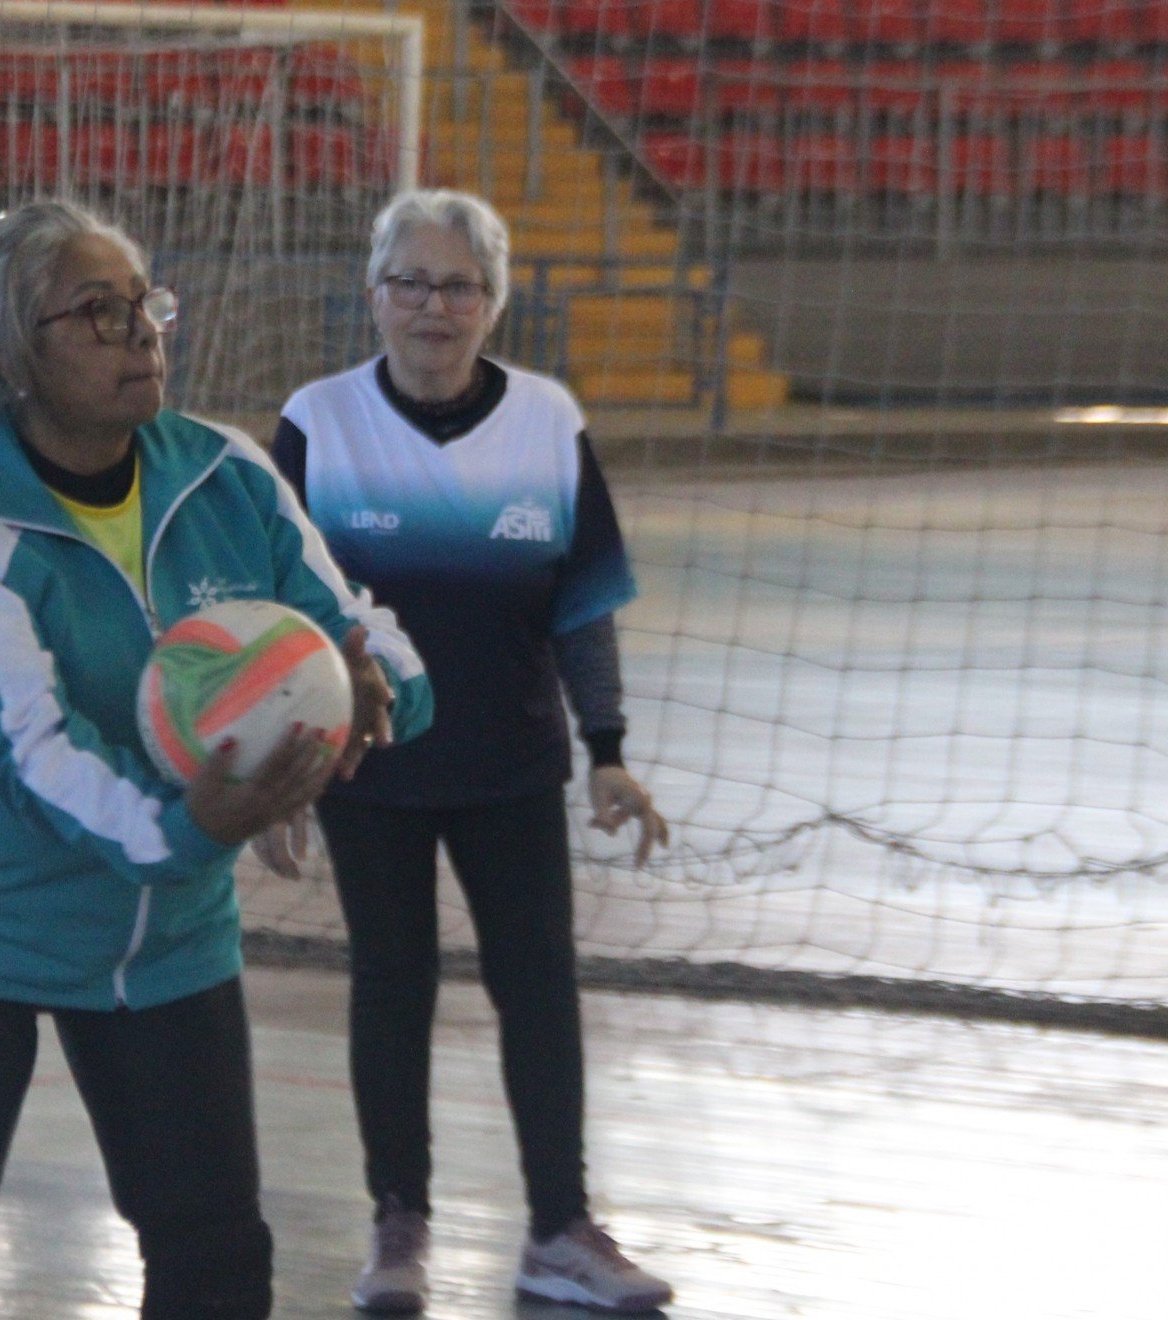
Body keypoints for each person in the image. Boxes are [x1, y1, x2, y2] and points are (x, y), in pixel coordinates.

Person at [0, 199, 432, 1320]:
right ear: (9, 357)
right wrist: (200, 822)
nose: (140, 331)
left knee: (213, 1249)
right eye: (96, 312)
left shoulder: (224, 475)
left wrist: (379, 688)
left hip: (164, 935)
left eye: (143, 301)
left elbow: (350, 621)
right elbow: (39, 759)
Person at [268, 189, 674, 1315]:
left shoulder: (547, 421)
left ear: (493, 304)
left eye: (457, 286)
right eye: (411, 282)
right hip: (371, 763)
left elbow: (581, 607)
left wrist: (608, 748)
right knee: (391, 986)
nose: (431, 307)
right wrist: (284, 763)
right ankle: (398, 1224)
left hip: (511, 760)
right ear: (373, 296)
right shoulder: (316, 421)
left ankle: (558, 1229)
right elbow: (281, 616)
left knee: (537, 986)